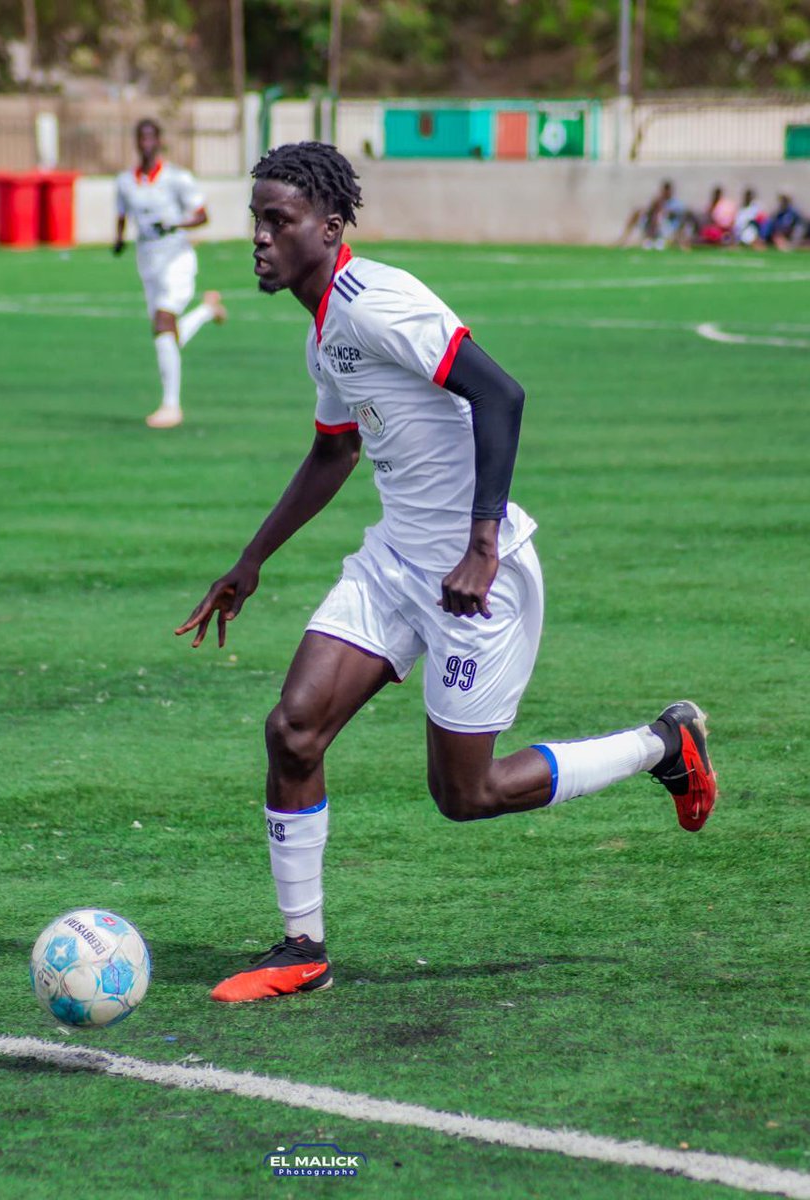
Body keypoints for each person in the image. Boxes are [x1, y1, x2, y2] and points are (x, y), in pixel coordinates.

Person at [177, 142, 718, 1004]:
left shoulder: (376, 300)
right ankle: (301, 947)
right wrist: (250, 562)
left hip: (477, 575)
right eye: (257, 221)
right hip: (397, 561)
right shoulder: (324, 331)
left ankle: (664, 745)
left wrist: (481, 545)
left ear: (327, 225)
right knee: (293, 730)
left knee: (465, 795)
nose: (260, 239)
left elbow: (499, 394)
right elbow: (332, 453)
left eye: (277, 222)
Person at [114, 118, 227, 429]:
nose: (146, 143)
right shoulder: (125, 181)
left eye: (151, 137)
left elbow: (202, 215)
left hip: (176, 257)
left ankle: (171, 406)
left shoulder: (178, 178)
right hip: (147, 259)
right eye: (141, 138)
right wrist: (118, 240)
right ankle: (207, 310)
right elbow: (122, 213)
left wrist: (175, 224)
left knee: (162, 324)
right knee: (166, 335)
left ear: (159, 141)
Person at [617, 179, 686, 249]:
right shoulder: (658, 201)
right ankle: (624, 239)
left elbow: (676, 217)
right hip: (653, 225)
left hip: (668, 227)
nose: (665, 192)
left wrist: (662, 211)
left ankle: (658, 239)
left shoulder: (677, 204)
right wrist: (653, 207)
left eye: (667, 190)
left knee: (659, 215)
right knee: (638, 212)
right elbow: (649, 212)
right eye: (664, 190)